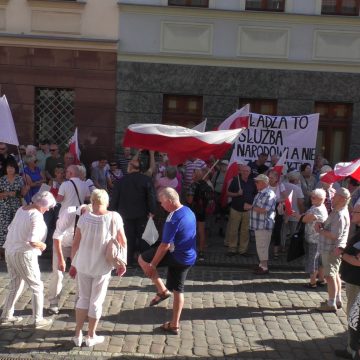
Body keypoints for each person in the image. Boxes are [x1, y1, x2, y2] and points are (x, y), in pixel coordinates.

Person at [70, 189, 127, 347]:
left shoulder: (84, 218)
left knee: (83, 298)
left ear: (92, 202)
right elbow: (122, 241)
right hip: (102, 265)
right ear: (106, 202)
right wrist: (122, 262)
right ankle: (90, 335)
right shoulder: (114, 217)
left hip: (83, 263)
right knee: (96, 301)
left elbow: (75, 244)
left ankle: (77, 334)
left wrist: (73, 264)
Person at [138, 187, 196, 335]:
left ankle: (162, 290)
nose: (161, 206)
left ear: (170, 201)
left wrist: (152, 265)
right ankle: (174, 324)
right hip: (188, 257)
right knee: (178, 291)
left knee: (142, 258)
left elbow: (165, 245)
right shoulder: (189, 211)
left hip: (175, 255)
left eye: (162, 203)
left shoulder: (172, 218)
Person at [0, 191, 56, 328]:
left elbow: (10, 227)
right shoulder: (36, 216)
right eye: (48, 206)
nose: (48, 209)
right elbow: (33, 240)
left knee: (15, 284)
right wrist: (43, 245)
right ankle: (38, 319)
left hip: (10, 250)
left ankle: (6, 315)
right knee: (37, 285)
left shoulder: (21, 209)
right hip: (23, 253)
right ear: (43, 205)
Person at [110, 159, 156, 267]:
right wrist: (152, 211)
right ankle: (144, 261)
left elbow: (115, 199)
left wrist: (112, 211)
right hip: (142, 214)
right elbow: (151, 197)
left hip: (124, 214)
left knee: (127, 237)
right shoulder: (146, 180)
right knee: (143, 238)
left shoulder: (121, 181)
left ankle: (128, 260)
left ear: (130, 167)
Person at [47, 204, 90, 314]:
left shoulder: (92, 216)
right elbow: (57, 236)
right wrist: (61, 259)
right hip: (62, 244)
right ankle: (53, 303)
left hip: (79, 246)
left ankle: (79, 303)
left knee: (81, 274)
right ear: (82, 213)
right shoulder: (69, 213)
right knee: (57, 273)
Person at [316, 187, 350, 312]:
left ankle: (331, 304)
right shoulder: (338, 210)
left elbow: (334, 235)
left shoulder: (340, 214)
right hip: (332, 248)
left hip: (331, 249)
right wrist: (323, 225)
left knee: (330, 276)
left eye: (335, 196)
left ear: (341, 199)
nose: (333, 197)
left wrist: (320, 230)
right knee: (335, 274)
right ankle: (337, 299)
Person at [334, 208, 360, 359]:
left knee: (354, 316)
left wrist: (343, 254)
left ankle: (353, 350)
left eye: (356, 212)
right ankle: (352, 348)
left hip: (357, 283)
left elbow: (358, 262)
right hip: (354, 281)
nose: (352, 214)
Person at [292, 189, 328, 288]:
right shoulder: (317, 206)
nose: (311, 198)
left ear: (321, 199)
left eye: (313, 197)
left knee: (313, 261)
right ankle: (321, 279)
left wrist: (296, 215)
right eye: (311, 196)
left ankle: (312, 282)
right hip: (317, 238)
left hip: (314, 239)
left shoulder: (317, 209)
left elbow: (304, 219)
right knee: (319, 261)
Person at [247, 174, 276, 275]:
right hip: (258, 224)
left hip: (263, 224)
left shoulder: (269, 194)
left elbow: (264, 210)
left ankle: (264, 267)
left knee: (262, 246)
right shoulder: (261, 193)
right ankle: (261, 265)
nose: (255, 184)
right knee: (260, 246)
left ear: (264, 183)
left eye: (257, 182)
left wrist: (250, 207)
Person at [225, 165, 256, 257]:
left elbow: (255, 194)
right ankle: (232, 249)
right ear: (240, 171)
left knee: (245, 231)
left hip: (247, 210)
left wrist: (252, 203)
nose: (246, 172)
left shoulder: (252, 182)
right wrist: (237, 194)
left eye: (247, 171)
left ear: (250, 172)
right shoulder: (235, 181)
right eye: (244, 171)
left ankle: (243, 250)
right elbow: (228, 193)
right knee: (233, 230)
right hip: (236, 209)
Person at [0, 160, 29, 259]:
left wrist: (25, 189)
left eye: (12, 167)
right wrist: (7, 194)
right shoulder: (2, 179)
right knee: (4, 227)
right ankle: (3, 251)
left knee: (16, 227)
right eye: (8, 167)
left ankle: (15, 249)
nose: (10, 169)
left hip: (16, 205)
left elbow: (22, 193)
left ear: (15, 168)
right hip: (4, 206)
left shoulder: (20, 179)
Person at [186, 167, 214, 261]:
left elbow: (190, 200)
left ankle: (190, 250)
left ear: (196, 175)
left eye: (193, 174)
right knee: (201, 231)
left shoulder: (193, 185)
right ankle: (201, 252)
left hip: (193, 211)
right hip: (202, 211)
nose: (191, 175)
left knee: (191, 231)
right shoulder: (206, 185)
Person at [268, 170, 287, 258]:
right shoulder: (266, 185)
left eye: (272, 178)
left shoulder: (280, 185)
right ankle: (265, 250)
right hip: (267, 209)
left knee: (277, 230)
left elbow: (286, 198)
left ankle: (276, 251)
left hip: (277, 209)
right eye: (269, 177)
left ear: (276, 178)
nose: (270, 179)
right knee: (267, 229)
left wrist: (276, 200)